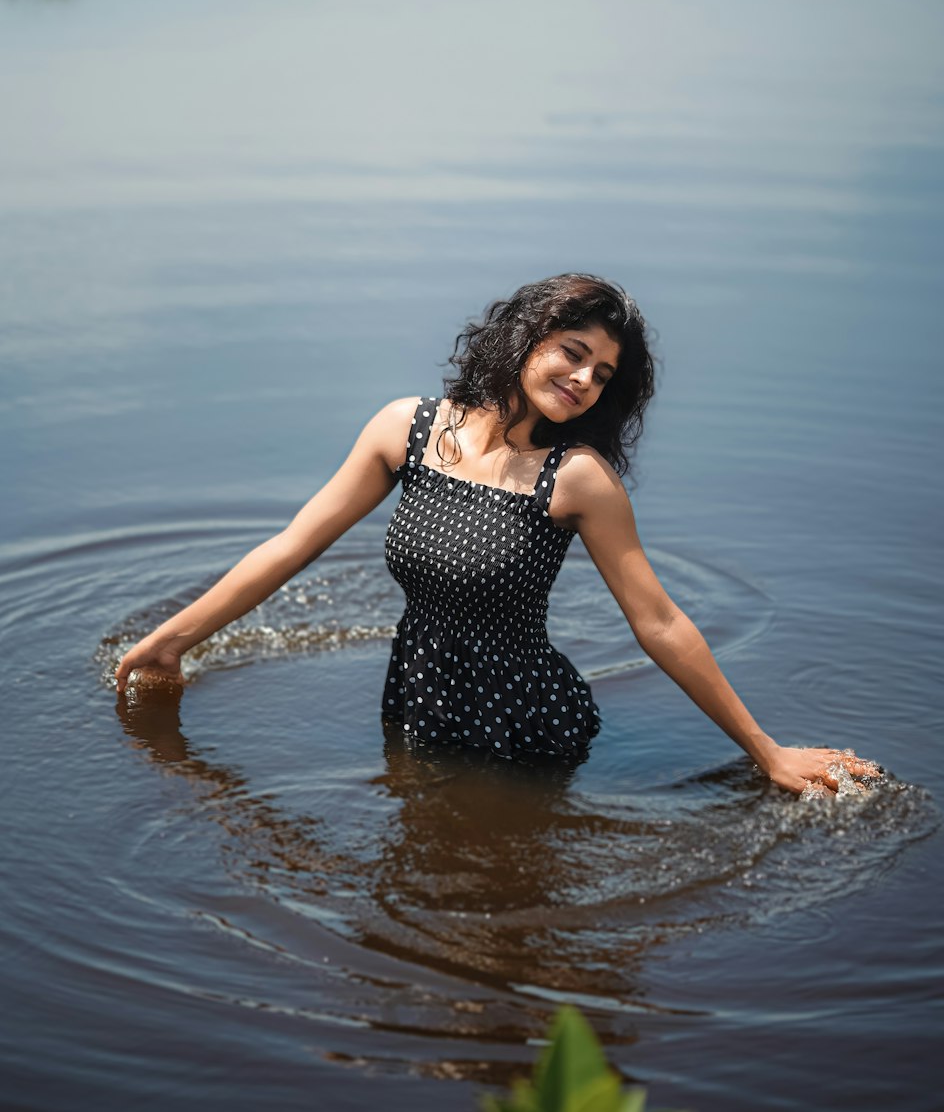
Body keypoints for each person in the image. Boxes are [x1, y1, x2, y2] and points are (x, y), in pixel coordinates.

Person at [115, 273, 877, 795]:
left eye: (602, 374)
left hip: (524, 722)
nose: (583, 380)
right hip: (414, 698)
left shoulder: (577, 479)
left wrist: (767, 752)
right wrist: (174, 640)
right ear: (525, 338)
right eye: (572, 353)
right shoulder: (405, 430)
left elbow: (660, 622)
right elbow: (290, 547)